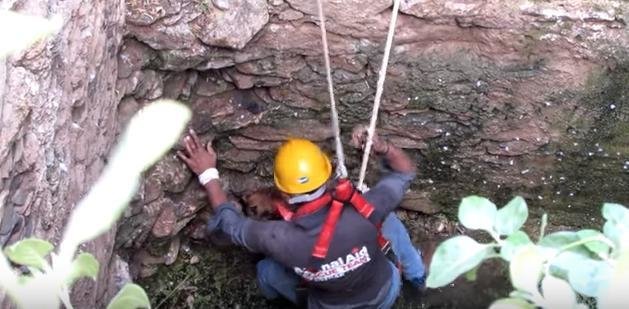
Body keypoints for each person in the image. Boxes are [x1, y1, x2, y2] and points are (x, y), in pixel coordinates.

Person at [177, 125, 425, 308]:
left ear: (283, 192)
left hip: (329, 305)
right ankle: (418, 277)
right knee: (389, 222)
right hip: (383, 293)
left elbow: (228, 224)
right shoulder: (365, 211)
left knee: (265, 269)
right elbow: (405, 173)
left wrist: (209, 175)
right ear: (328, 176)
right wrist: (382, 147)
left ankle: (276, 304)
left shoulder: (277, 238)